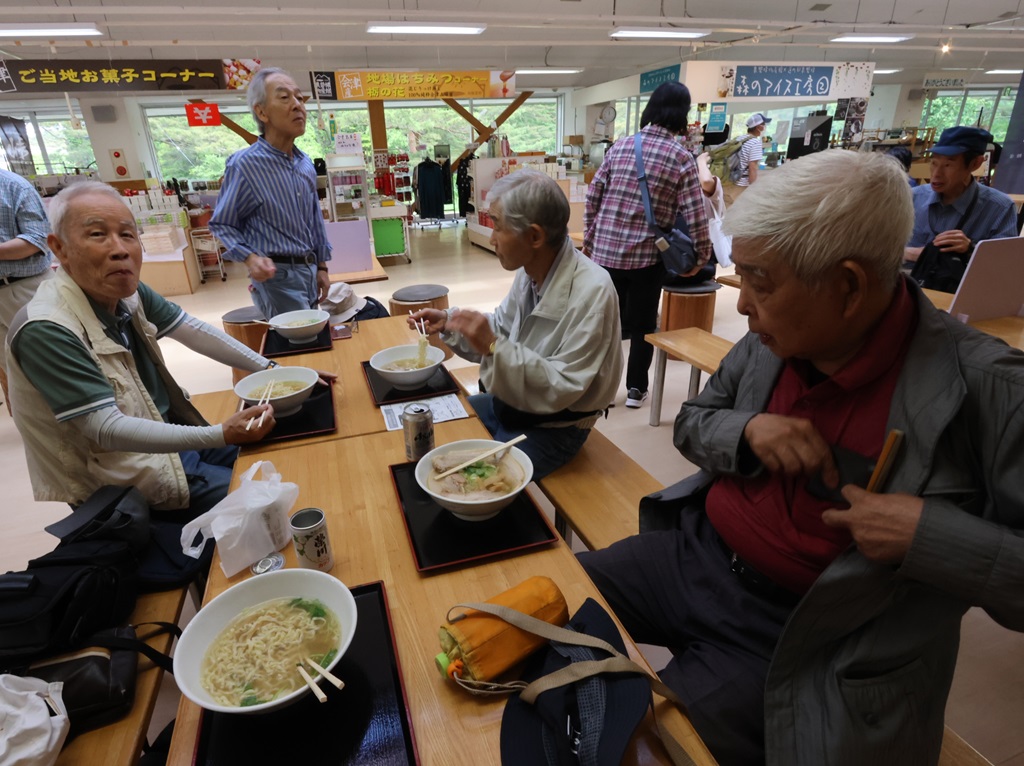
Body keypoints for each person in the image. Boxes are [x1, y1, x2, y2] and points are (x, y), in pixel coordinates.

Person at [578, 150, 1024, 765]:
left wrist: (928, 535)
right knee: (544, 610)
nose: (741, 305)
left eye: (760, 281)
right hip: (696, 558)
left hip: (805, 633)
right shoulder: (773, 341)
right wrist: (748, 432)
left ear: (849, 287)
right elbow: (694, 422)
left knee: (639, 748)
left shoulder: (990, 391)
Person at [4, 181, 319, 519]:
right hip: (122, 479)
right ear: (59, 248)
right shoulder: (47, 329)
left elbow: (192, 330)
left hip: (171, 443)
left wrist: (274, 371)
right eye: (97, 234)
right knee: (274, 504)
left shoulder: (127, 292)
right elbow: (106, 429)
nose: (119, 249)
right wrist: (219, 434)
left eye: (127, 234)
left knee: (292, 460)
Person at [411, 170, 622, 480]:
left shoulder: (593, 290)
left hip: (557, 427)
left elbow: (561, 387)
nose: (491, 238)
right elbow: (502, 328)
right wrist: (450, 323)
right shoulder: (530, 271)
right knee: (439, 428)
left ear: (535, 236)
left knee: (474, 482)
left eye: (497, 225)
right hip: (512, 405)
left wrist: (493, 346)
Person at [583, 81, 711, 410]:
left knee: (605, 324)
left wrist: (590, 239)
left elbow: (593, 195)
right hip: (647, 258)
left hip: (606, 256)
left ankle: (601, 392)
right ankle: (636, 390)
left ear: (651, 108)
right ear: (682, 114)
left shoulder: (621, 146)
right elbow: (696, 214)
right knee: (642, 326)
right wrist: (701, 257)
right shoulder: (681, 157)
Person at [210, 66, 331, 321]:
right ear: (262, 112)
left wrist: (321, 266)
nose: (298, 105)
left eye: (299, 97)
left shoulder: (305, 163)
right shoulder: (244, 165)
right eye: (284, 97)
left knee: (312, 335)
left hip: (309, 270)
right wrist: (250, 258)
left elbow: (314, 219)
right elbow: (223, 223)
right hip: (277, 277)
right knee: (300, 339)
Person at [904, 126, 1018, 271]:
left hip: (960, 284)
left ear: (975, 163)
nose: (936, 174)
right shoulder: (911, 197)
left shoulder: (1000, 208)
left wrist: (971, 249)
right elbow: (881, 248)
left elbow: (1006, 264)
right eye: (934, 163)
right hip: (905, 280)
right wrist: (910, 253)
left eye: (948, 165)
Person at [0, 169, 54, 406]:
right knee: (12, 370)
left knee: (50, 360)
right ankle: (35, 420)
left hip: (24, 288)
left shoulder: (13, 186)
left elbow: (37, 239)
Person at [726, 112, 771, 205]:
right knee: (739, 209)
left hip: (730, 180)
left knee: (728, 207)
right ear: (758, 127)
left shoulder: (739, 139)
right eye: (763, 124)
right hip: (742, 184)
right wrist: (753, 187)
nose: (764, 127)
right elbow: (752, 167)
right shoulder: (755, 142)